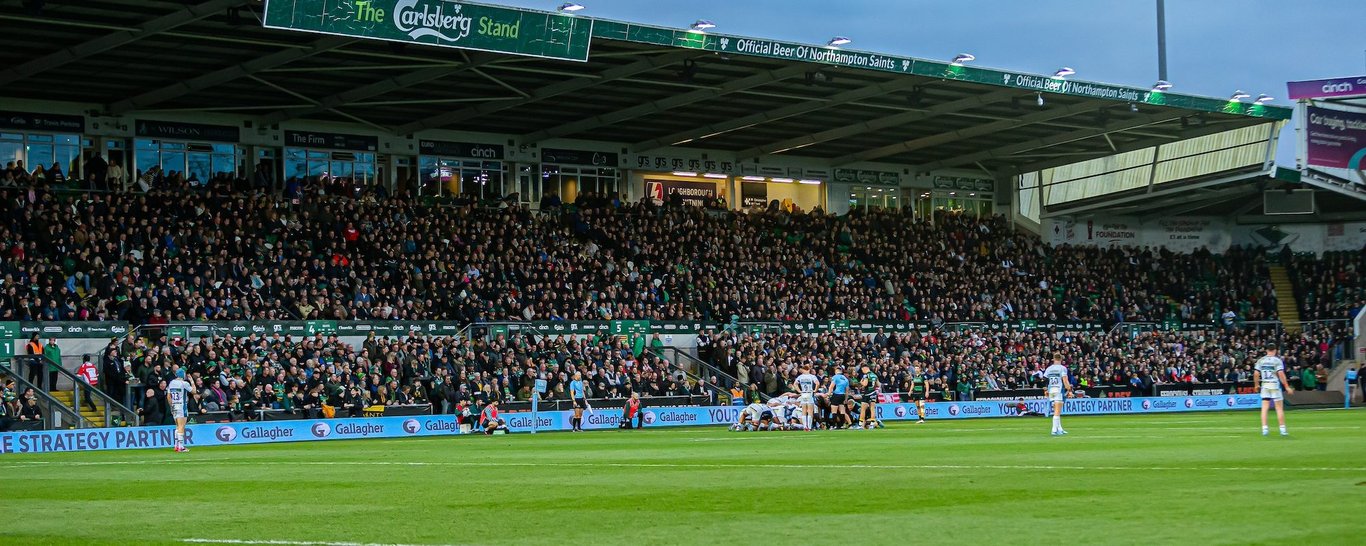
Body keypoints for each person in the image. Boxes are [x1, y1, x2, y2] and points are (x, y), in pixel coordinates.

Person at [1254, 345, 1293, 437]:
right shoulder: (1277, 360)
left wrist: (1256, 385)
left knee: (1264, 408)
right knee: (1279, 408)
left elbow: (1256, 373)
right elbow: (1281, 374)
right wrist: (1286, 386)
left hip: (1265, 385)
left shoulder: (1261, 360)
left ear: (1267, 350)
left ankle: (1265, 429)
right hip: (1274, 385)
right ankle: (1282, 429)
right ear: (1275, 350)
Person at [1044, 353, 1072, 436]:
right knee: (1057, 411)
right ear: (1061, 359)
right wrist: (1069, 389)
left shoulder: (1049, 368)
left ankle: (1060, 429)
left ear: (1053, 359)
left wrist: (1046, 390)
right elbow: (1065, 380)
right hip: (1059, 390)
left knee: (1056, 409)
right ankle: (1054, 429)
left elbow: (1045, 380)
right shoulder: (1062, 368)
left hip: (1051, 390)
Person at [167, 369, 194, 452]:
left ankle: (176, 445)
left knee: (177, 426)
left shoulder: (171, 383)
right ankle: (181, 447)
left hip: (174, 405)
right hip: (181, 406)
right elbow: (194, 391)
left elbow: (168, 396)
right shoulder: (184, 383)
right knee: (181, 426)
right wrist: (192, 381)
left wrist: (171, 406)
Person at [793, 365, 819, 431]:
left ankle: (805, 427)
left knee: (804, 411)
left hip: (803, 393)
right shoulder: (812, 376)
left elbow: (795, 384)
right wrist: (815, 390)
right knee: (810, 411)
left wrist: (799, 391)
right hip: (809, 393)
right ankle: (809, 427)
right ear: (809, 369)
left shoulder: (800, 377)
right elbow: (817, 383)